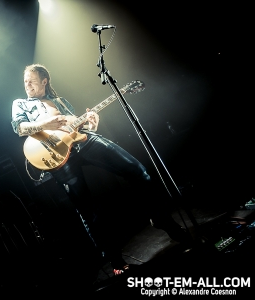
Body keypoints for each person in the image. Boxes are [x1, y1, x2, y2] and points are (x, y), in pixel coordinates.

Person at [10, 64, 188, 275]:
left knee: (138, 172)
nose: (27, 84)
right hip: (57, 156)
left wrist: (92, 125)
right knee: (87, 210)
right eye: (25, 81)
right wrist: (46, 123)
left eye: (31, 80)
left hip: (84, 142)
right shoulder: (20, 103)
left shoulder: (61, 102)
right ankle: (116, 262)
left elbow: (78, 129)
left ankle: (161, 219)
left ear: (44, 81)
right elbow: (20, 127)